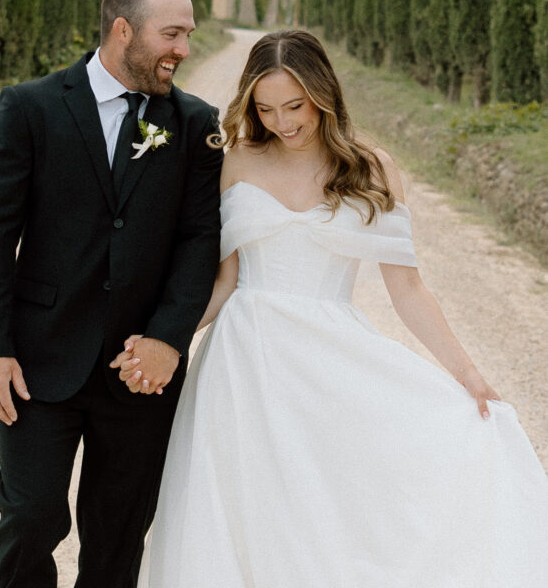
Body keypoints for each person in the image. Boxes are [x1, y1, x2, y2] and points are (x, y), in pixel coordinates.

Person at [115, 29, 548, 587]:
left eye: (295, 106)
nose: (283, 122)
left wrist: (468, 375)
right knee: (244, 514)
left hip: (331, 359)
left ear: (324, 94)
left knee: (333, 514)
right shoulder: (238, 159)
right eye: (266, 109)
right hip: (243, 365)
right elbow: (223, 282)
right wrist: (163, 338)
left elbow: (408, 290)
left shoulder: (371, 167)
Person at [0, 0, 222, 588]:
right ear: (123, 29)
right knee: (29, 518)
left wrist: (168, 338)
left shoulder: (193, 124)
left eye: (188, 35)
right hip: (38, 361)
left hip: (139, 370)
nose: (183, 50)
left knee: (117, 535)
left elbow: (199, 240)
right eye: (172, 34)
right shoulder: (29, 107)